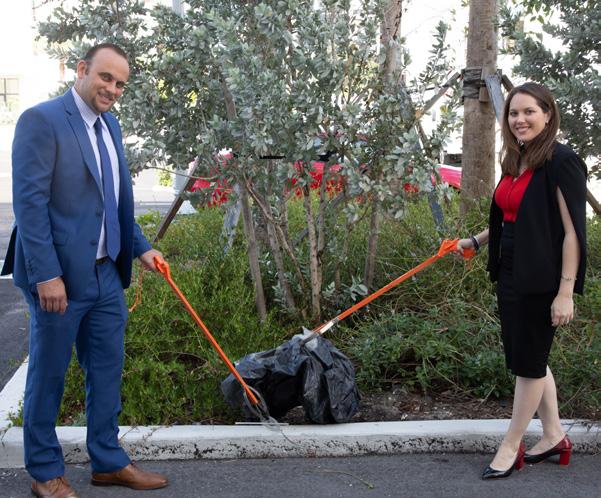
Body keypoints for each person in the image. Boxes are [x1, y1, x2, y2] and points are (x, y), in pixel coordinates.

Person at [1, 43, 169, 497]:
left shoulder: (110, 125)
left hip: (106, 276)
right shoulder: (42, 120)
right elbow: (30, 206)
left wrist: (142, 248)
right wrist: (46, 275)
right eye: (105, 78)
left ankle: (108, 462)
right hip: (59, 279)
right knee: (48, 377)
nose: (112, 89)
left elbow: (113, 201)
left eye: (120, 84)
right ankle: (44, 473)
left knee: (106, 371)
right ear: (81, 69)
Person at [456, 82, 587, 480]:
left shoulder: (562, 161)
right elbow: (512, 215)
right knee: (529, 355)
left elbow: (572, 233)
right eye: (514, 112)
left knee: (528, 363)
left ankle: (511, 445)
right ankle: (553, 435)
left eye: (529, 111)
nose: (520, 119)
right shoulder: (518, 158)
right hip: (510, 268)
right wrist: (477, 241)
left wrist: (565, 291)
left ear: (548, 115)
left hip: (542, 275)